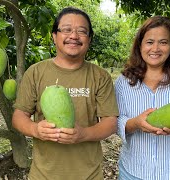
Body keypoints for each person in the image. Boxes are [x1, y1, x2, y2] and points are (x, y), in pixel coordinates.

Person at [12, 7, 118, 180]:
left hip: (89, 175)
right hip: (43, 175)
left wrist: (83, 134)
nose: (74, 36)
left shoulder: (100, 76)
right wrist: (35, 129)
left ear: (89, 39)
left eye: (82, 31)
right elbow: (18, 116)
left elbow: (110, 123)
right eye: (67, 30)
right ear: (54, 36)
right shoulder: (36, 72)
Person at [115, 16, 170, 180]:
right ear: (140, 45)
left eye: (163, 42)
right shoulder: (124, 81)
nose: (155, 48)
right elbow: (116, 120)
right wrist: (135, 123)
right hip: (133, 172)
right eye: (149, 42)